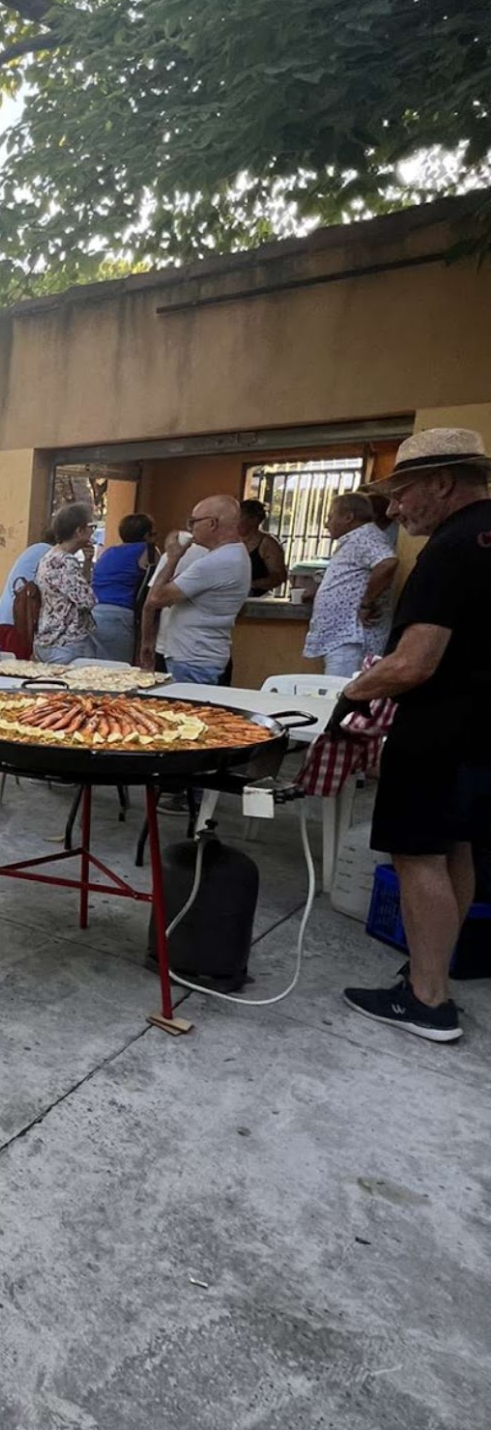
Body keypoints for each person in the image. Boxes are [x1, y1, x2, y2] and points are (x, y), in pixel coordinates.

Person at [340, 427, 491, 1045]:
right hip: (483, 729)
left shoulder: (453, 548)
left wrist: (348, 696)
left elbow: (416, 661)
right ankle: (436, 970)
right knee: (458, 848)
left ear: (442, 482)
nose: (395, 509)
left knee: (417, 855)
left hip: (439, 728)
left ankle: (427, 999)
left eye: (401, 494)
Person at [140, 497, 251, 684]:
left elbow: (156, 598)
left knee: (183, 712)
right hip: (201, 655)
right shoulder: (232, 554)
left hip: (193, 659)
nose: (191, 528)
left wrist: (173, 557)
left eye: (193, 522)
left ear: (212, 523)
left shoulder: (217, 562)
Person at [304, 492, 399, 678]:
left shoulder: (365, 536)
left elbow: (388, 563)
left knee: (339, 695)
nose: (326, 524)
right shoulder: (354, 539)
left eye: (330, 517)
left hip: (352, 638)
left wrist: (367, 603)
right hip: (342, 638)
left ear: (348, 517)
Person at [33, 502, 101, 665]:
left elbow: (74, 590)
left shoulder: (50, 556)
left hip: (48, 639)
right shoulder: (64, 562)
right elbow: (87, 600)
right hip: (66, 642)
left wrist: (87, 562)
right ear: (79, 531)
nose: (94, 531)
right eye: (92, 526)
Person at [91, 513, 157, 662]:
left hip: (96, 610)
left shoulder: (108, 552)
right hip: (120, 612)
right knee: (118, 666)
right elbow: (155, 579)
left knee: (97, 664)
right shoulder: (148, 551)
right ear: (147, 535)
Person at [0, 527, 55, 657]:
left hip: (5, 617)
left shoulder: (34, 550)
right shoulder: (50, 553)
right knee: (15, 669)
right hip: (18, 620)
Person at [239, 500, 289, 596]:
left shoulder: (268, 544)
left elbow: (279, 576)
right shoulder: (229, 539)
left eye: (239, 517)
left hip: (257, 598)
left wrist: (251, 585)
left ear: (254, 520)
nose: (234, 522)